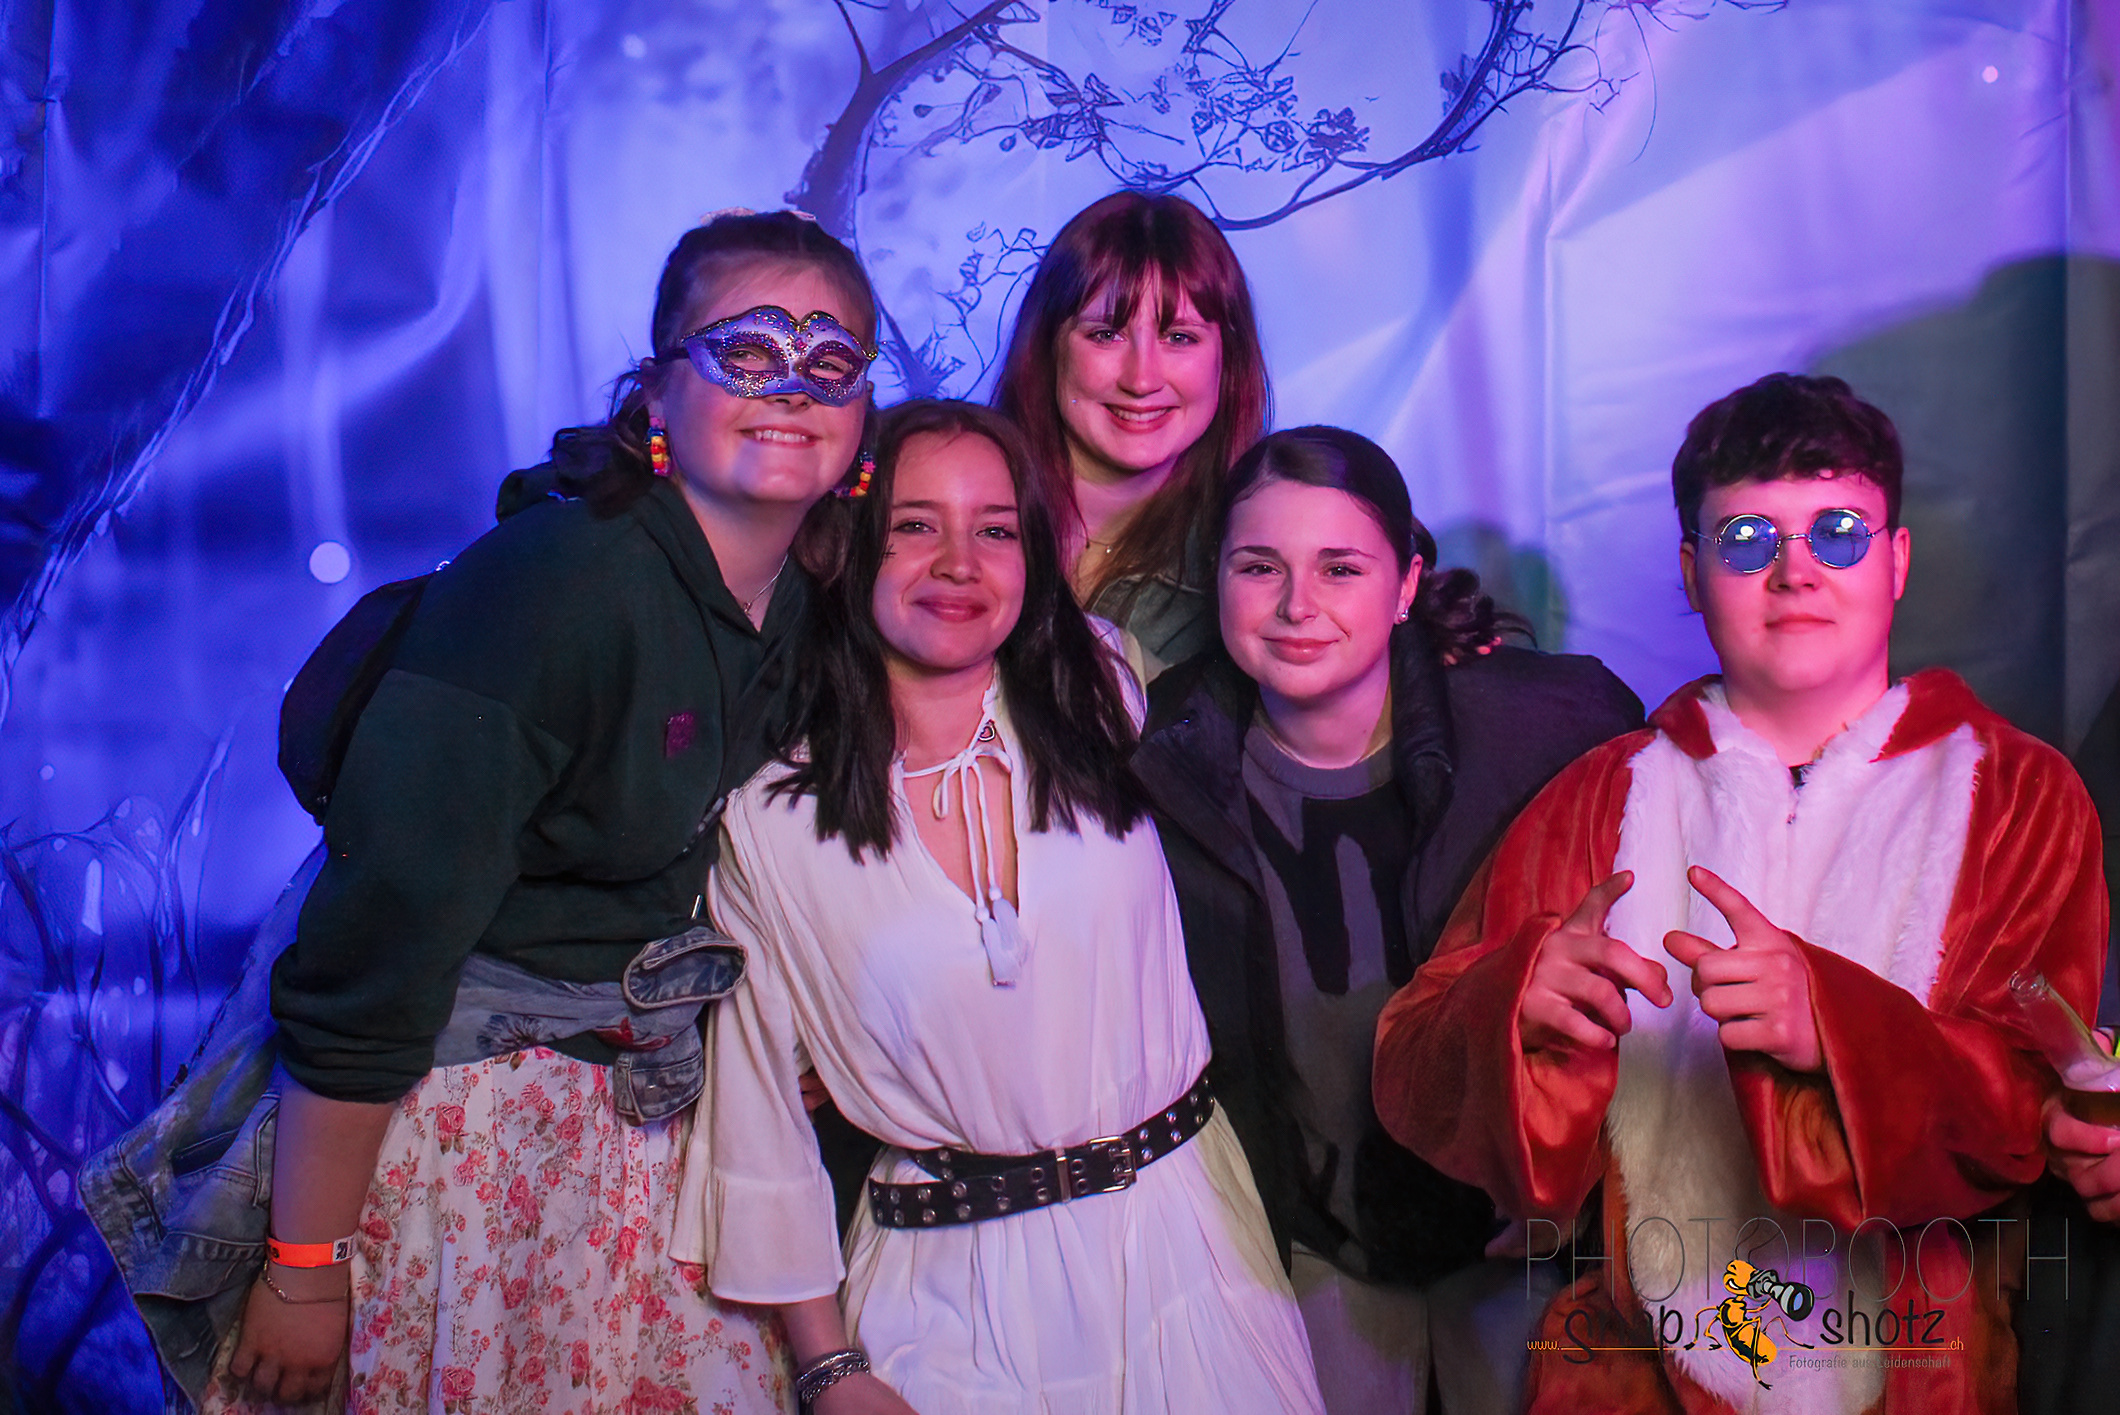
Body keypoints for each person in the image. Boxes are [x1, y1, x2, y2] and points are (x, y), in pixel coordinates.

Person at [220, 210, 881, 1410]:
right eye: (748, 351)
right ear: (658, 391)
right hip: (453, 1130)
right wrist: (307, 1266)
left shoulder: (800, 598)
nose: (791, 384)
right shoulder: (551, 587)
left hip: (638, 1125)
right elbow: (380, 933)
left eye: (830, 360)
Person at [1372, 372, 2108, 1415]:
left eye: (1837, 533)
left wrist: (1833, 1029)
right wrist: (1514, 1008)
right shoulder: (1600, 797)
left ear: (1897, 559)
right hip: (1635, 1369)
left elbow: (2028, 1105)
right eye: (1747, 539)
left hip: (1913, 1367)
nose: (1794, 570)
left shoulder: (2016, 796)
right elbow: (1413, 1062)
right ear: (1691, 569)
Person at [673, 399, 1326, 1414]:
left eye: (994, 528)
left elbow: (1305, 663)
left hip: (1186, 1238)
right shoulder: (771, 821)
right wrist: (827, 1365)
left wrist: (1443, 633)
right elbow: (758, 1117)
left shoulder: (1104, 688)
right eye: (914, 524)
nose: (958, 563)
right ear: (849, 545)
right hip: (946, 1288)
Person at [1131, 426, 1642, 1414]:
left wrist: (1574, 1169)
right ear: (1215, 578)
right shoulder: (1159, 760)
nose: (1296, 605)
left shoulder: (1548, 729)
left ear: (1406, 583)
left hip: (1517, 1238)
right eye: (1258, 566)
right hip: (1307, 1244)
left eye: (1340, 567)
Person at [993, 190, 1270, 679]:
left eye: (1179, 337)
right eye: (1106, 334)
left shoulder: (1260, 563)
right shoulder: (927, 501)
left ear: (1228, 360)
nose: (1141, 380)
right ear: (1048, 347)